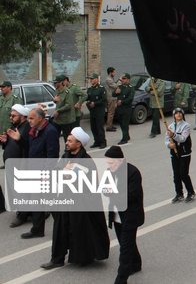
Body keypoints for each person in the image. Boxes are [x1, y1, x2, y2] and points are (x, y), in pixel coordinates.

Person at [41, 127, 110, 269]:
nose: (66, 143)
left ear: (78, 144)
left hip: (80, 203)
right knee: (59, 231)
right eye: (67, 140)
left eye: (70, 141)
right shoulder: (66, 156)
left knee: (79, 231)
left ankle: (83, 257)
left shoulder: (86, 160)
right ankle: (57, 259)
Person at [9, 108, 60, 238]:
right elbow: (30, 148)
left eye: (31, 118)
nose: (29, 120)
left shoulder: (50, 131)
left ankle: (65, 230)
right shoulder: (34, 130)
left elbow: (52, 155)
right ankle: (37, 230)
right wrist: (19, 139)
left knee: (54, 205)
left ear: (41, 118)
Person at [105, 146, 144, 284]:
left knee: (125, 248)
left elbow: (131, 195)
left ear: (120, 160)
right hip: (116, 215)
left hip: (130, 216)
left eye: (111, 162)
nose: (108, 165)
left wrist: (113, 193)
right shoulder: (109, 171)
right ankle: (136, 264)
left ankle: (121, 279)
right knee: (125, 242)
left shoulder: (132, 172)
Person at [166, 108, 195, 203]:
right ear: (173, 115)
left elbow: (182, 138)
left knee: (183, 173)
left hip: (184, 153)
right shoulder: (170, 126)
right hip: (174, 154)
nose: (178, 115)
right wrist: (169, 145)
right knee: (176, 175)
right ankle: (179, 194)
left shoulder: (186, 126)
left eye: (180, 113)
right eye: (176, 113)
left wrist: (173, 135)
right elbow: (166, 139)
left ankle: (191, 192)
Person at [86, 73, 107, 148]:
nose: (91, 80)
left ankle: (103, 142)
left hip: (99, 111)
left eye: (92, 79)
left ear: (97, 79)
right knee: (93, 127)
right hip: (92, 111)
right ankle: (97, 141)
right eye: (90, 79)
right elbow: (87, 98)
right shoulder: (90, 89)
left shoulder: (101, 88)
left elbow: (104, 100)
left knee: (99, 127)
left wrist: (95, 103)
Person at [52, 74, 76, 141]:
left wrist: (58, 111)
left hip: (66, 120)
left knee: (67, 138)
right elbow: (57, 101)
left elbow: (68, 105)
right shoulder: (57, 91)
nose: (55, 84)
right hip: (57, 120)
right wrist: (54, 100)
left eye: (56, 83)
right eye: (54, 83)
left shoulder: (68, 92)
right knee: (54, 138)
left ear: (61, 83)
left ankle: (68, 151)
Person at [115, 73, 135, 145]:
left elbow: (130, 98)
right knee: (121, 123)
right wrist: (116, 92)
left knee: (125, 124)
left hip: (126, 109)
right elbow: (113, 94)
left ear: (128, 80)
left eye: (124, 78)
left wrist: (122, 102)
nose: (122, 80)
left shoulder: (131, 88)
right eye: (122, 79)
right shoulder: (120, 87)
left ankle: (124, 139)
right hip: (119, 108)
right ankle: (127, 136)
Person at [104, 67, 119, 132]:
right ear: (110, 72)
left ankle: (110, 125)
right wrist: (120, 81)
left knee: (112, 112)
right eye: (114, 72)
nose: (115, 73)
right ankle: (109, 127)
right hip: (111, 98)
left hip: (113, 97)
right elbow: (115, 86)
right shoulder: (108, 79)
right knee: (110, 113)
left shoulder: (111, 78)